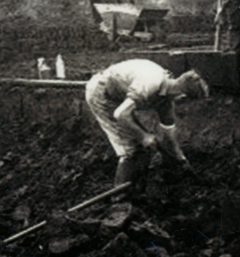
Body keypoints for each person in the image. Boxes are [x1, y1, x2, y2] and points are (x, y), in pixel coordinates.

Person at [85, 59, 209, 189]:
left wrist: (179, 157)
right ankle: (120, 199)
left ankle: (139, 188)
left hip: (120, 95)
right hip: (102, 93)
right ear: (182, 96)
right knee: (131, 149)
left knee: (143, 146)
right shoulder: (151, 83)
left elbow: (168, 133)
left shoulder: (166, 96)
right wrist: (144, 136)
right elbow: (120, 114)